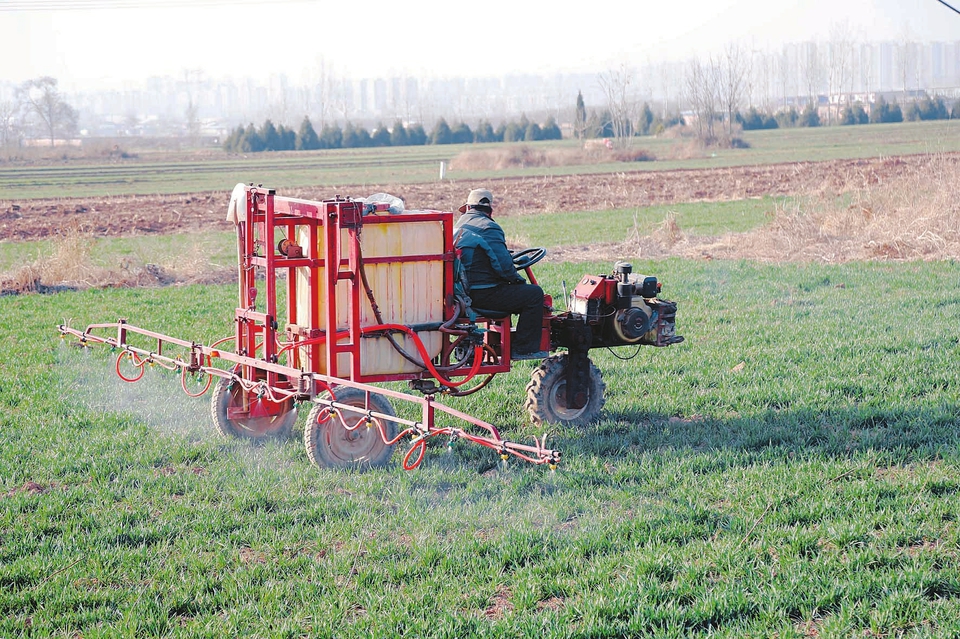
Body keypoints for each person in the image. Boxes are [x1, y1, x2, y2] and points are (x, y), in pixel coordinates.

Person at [453, 188, 548, 360]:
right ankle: (524, 348)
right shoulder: (489, 228)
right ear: (490, 211)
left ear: (467, 208)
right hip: (482, 294)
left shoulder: (460, 225)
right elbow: (504, 267)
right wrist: (519, 281)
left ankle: (501, 342)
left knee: (518, 292)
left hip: (463, 293)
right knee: (534, 295)